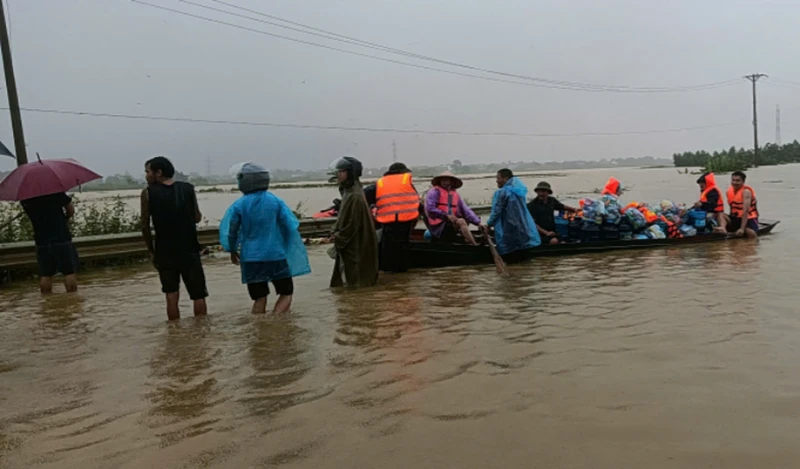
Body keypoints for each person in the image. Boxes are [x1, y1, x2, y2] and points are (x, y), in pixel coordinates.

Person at [220, 163, 311, 314]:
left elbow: (231, 232)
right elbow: (289, 226)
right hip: (276, 255)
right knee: (286, 292)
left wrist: (231, 250)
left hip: (251, 258)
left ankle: (261, 331)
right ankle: (276, 324)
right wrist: (285, 245)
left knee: (259, 297)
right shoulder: (275, 201)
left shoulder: (238, 205)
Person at [141, 156, 208, 320]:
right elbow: (197, 217)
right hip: (190, 249)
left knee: (171, 294)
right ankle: (202, 334)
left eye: (148, 171)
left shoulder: (148, 193)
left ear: (158, 172)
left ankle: (174, 333)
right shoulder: (187, 188)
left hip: (164, 251)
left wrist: (151, 251)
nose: (146, 176)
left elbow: (144, 226)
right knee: (198, 294)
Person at [329, 156, 379, 288]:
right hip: (349, 243)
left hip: (355, 244)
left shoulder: (355, 195)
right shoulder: (348, 192)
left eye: (342, 171)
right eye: (338, 171)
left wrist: (338, 236)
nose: (339, 174)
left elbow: (353, 223)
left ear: (350, 173)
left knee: (355, 281)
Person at [20, 192, 79, 293]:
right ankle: (72, 301)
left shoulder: (25, 198)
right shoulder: (56, 192)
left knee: (46, 274)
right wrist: (65, 219)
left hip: (41, 240)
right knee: (69, 272)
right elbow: (71, 210)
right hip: (62, 237)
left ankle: (46, 302)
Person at [374, 162, 419, 273]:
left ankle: (389, 271)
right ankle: (401, 272)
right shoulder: (406, 181)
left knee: (388, 249)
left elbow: (366, 196)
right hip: (405, 220)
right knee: (402, 249)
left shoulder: (380, 183)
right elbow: (416, 201)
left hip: (387, 221)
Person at [486, 169, 541, 258]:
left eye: (498, 178)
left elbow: (496, 212)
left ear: (506, 179)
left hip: (508, 229)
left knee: (510, 256)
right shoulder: (519, 192)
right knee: (523, 256)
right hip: (523, 228)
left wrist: (488, 224)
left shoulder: (501, 193)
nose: (497, 181)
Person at [424, 171, 482, 245]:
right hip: (438, 225)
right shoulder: (434, 192)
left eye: (447, 180)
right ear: (440, 181)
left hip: (450, 223)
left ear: (451, 182)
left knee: (465, 218)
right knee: (461, 221)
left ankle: (467, 239)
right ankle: (474, 244)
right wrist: (446, 215)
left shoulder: (454, 194)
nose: (445, 182)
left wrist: (478, 222)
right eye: (443, 180)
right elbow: (430, 209)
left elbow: (466, 210)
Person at [725, 170, 759, 239]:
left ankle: (753, 245)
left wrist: (742, 228)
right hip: (736, 217)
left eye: (738, 181)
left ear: (743, 182)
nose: (735, 183)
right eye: (733, 180)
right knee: (721, 215)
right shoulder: (729, 191)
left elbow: (746, 211)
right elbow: (732, 207)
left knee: (749, 232)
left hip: (749, 218)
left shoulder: (746, 192)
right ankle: (723, 231)